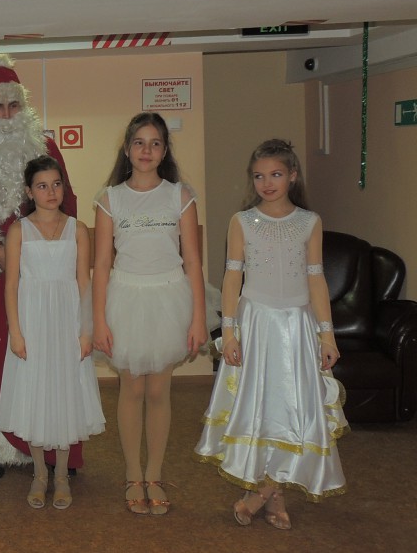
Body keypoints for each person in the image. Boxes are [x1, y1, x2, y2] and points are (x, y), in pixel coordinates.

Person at [195, 139, 347, 528]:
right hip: (257, 325)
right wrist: (230, 332)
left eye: (276, 174)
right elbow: (232, 277)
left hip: (296, 327)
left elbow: (315, 279)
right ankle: (271, 493)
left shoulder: (309, 221)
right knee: (259, 407)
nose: (267, 183)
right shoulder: (242, 221)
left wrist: (326, 335)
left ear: (292, 175)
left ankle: (264, 492)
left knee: (291, 409)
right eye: (259, 176)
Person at [0, 54, 82, 479]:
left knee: (48, 358)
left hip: (45, 275)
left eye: (14, 106)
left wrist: (50, 250)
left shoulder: (45, 150)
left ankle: (53, 446)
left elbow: (69, 205)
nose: (7, 115)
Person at [92, 112, 208, 516]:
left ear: (164, 150)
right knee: (132, 389)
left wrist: (198, 317)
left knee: (159, 391)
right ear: (127, 150)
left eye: (155, 143)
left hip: (169, 299)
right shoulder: (110, 199)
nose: (147, 150)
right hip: (125, 299)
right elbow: (101, 264)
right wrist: (99, 319)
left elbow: (193, 261)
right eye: (139, 143)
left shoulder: (180, 196)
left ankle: (154, 474)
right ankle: (132, 475)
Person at [0, 156, 105, 510]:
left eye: (56, 184)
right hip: (32, 322)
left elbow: (84, 282)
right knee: (36, 393)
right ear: (30, 192)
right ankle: (39, 473)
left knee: (63, 394)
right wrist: (16, 332)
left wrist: (86, 330)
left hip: (67, 322)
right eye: (42, 186)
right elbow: (11, 286)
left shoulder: (78, 229)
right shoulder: (19, 231)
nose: (51, 192)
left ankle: (60, 475)